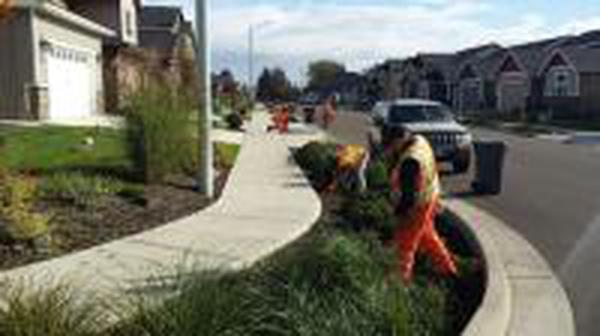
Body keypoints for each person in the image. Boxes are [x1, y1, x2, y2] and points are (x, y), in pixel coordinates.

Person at [386, 127, 458, 283]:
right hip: (430, 196)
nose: (391, 149)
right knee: (427, 235)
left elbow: (408, 198)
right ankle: (447, 269)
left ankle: (400, 283)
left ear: (399, 140)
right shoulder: (419, 140)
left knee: (404, 244)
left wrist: (398, 214)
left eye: (391, 145)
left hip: (418, 205)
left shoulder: (411, 161)